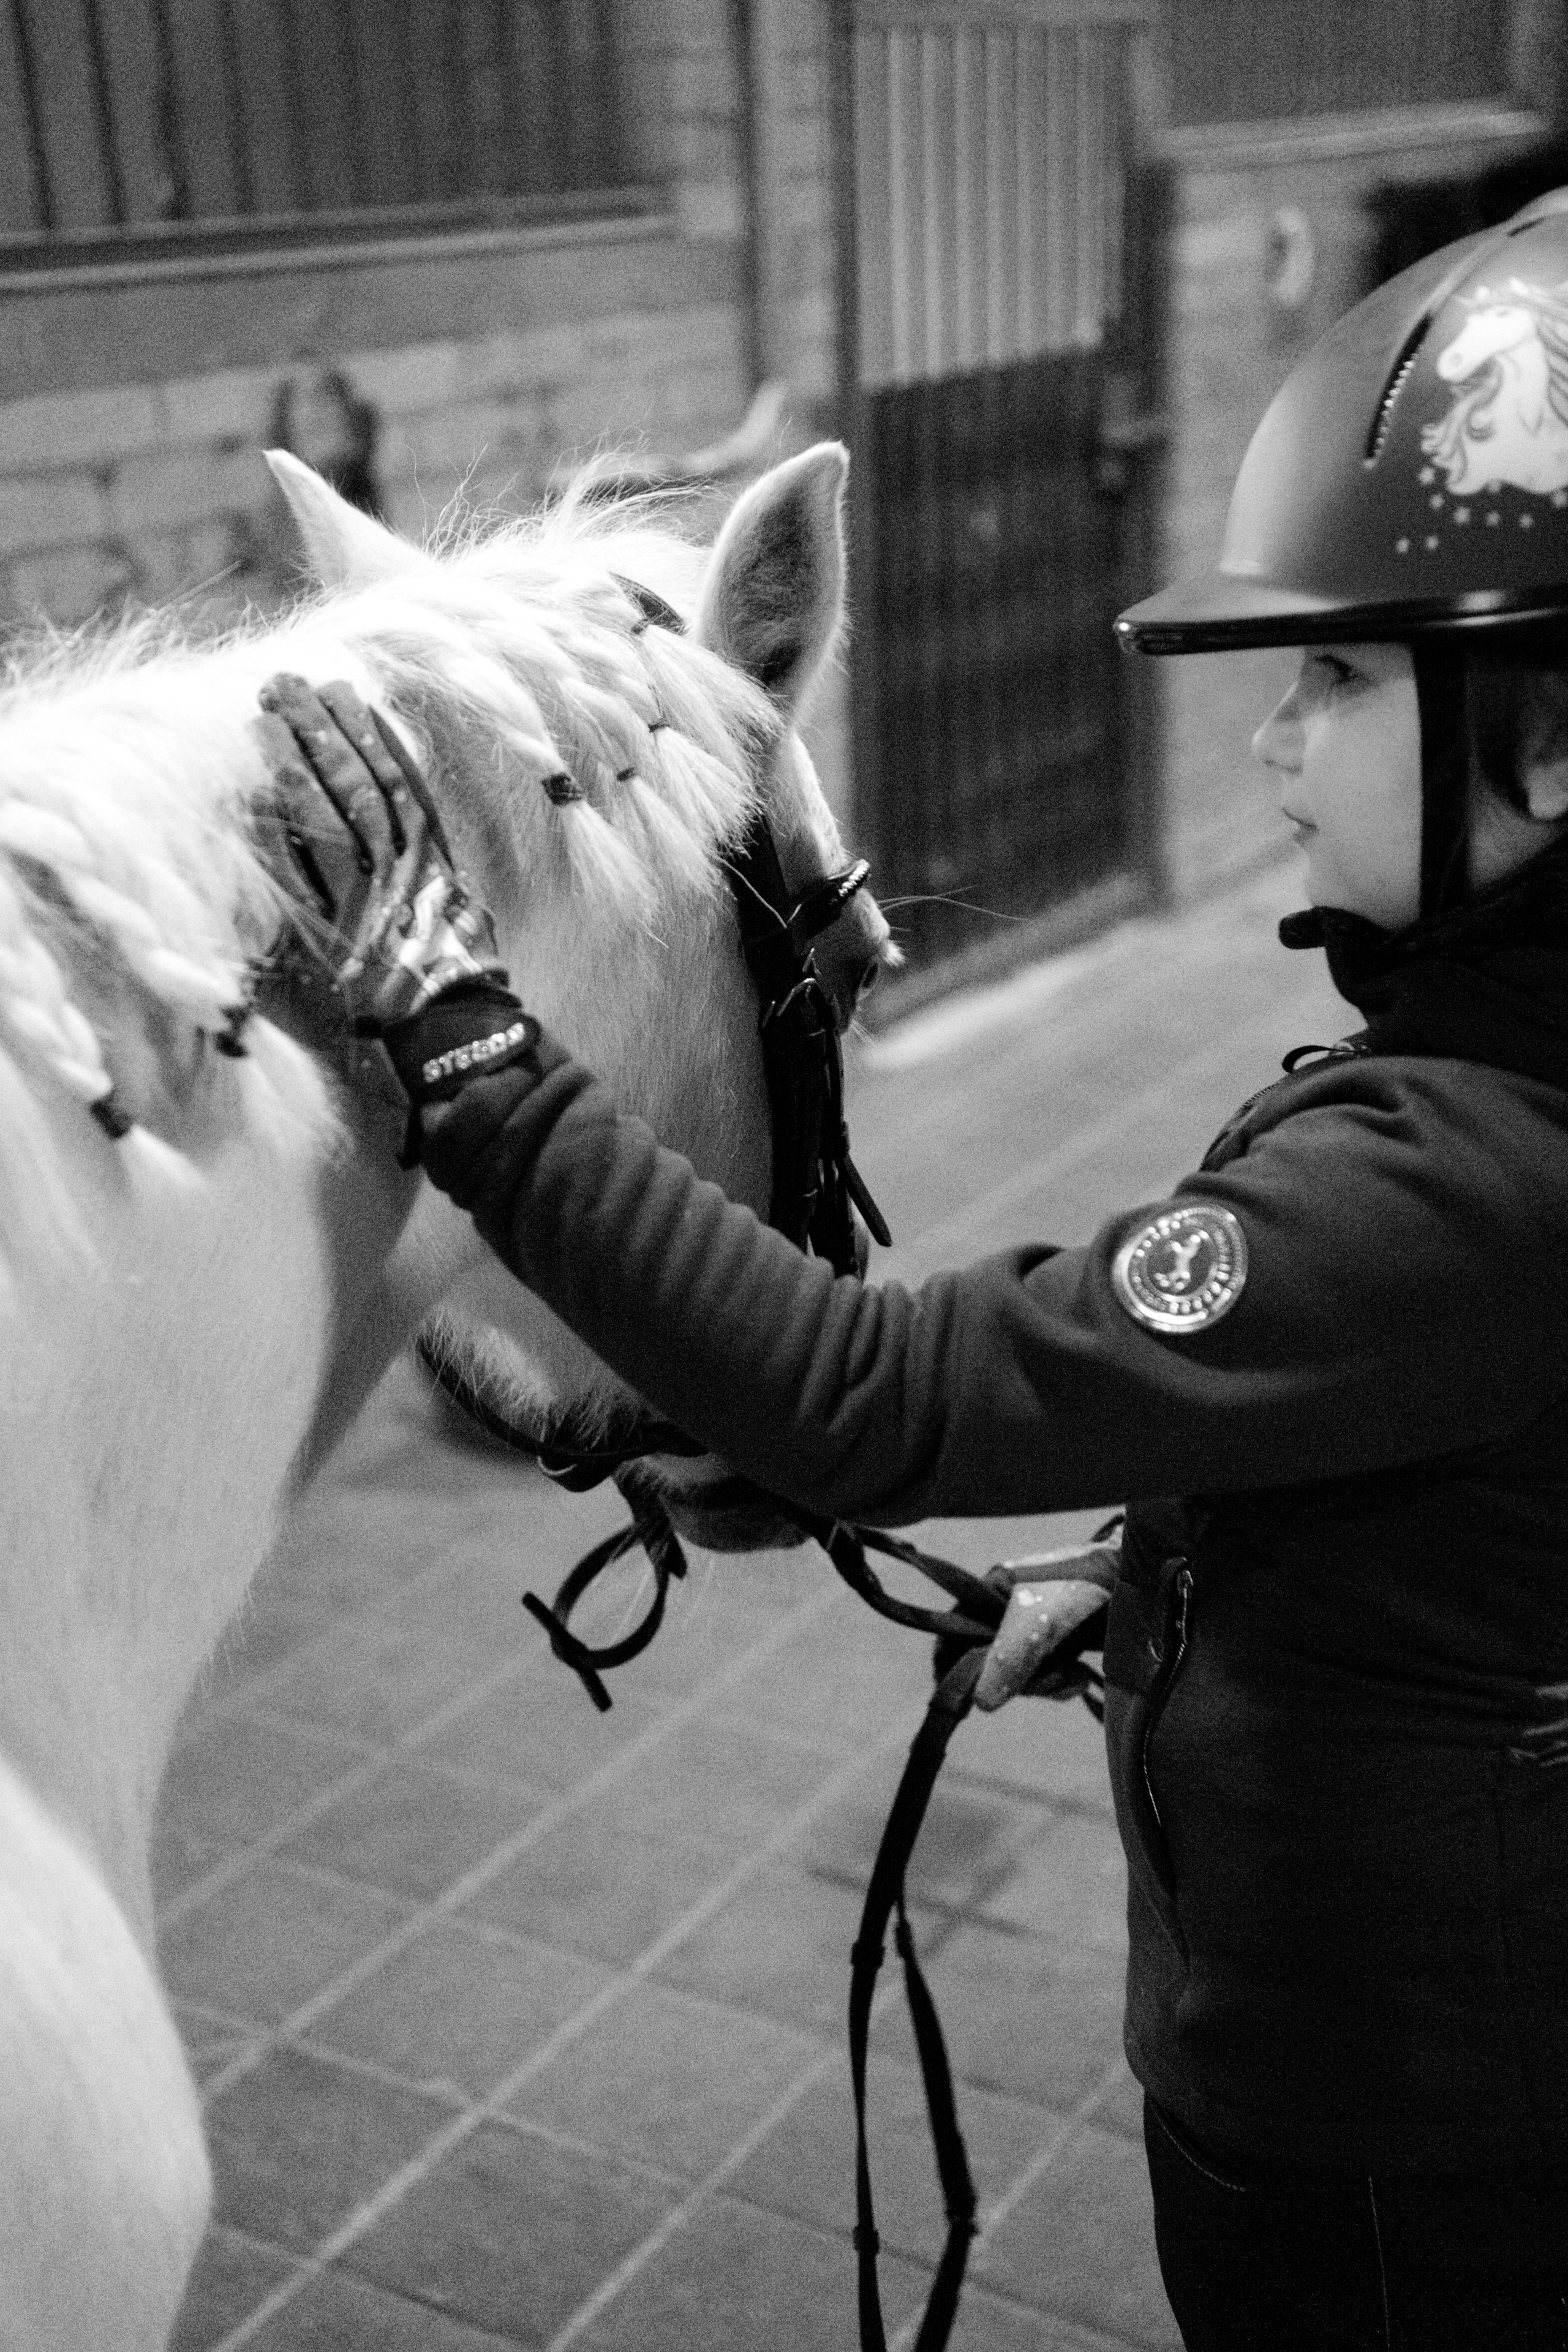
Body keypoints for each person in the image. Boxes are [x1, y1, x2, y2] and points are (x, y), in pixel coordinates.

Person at [257, 196, 1568, 2350]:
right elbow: (1423, 1483)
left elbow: (882, 1397)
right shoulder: (1491, 1080)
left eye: (1333, 676)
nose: (1266, 739)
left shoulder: (1479, 1170)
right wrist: (1139, 1580)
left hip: (1388, 2144)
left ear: (1548, 741)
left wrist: (467, 1038)